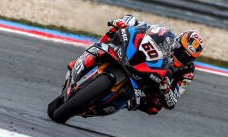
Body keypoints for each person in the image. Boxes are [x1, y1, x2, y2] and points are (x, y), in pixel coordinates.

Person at [72, 15, 204, 115]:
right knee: (115, 31)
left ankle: (121, 101)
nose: (182, 58)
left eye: (187, 57)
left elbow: (172, 102)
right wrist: (127, 21)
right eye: (182, 52)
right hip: (139, 61)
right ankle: (88, 54)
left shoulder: (187, 72)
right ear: (178, 42)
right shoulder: (166, 36)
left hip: (153, 82)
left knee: (154, 107)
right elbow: (144, 28)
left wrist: (166, 89)